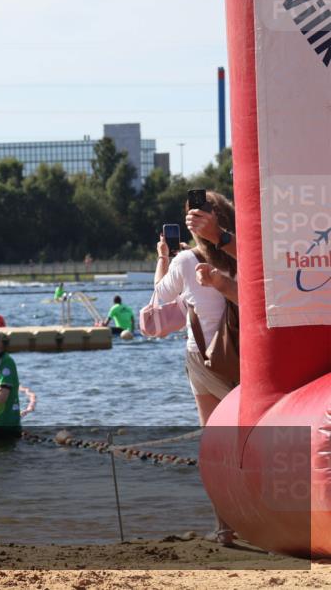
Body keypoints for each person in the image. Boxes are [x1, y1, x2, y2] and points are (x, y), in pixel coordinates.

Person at [153, 190, 238, 545]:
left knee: (214, 443)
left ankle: (225, 527)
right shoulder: (243, 254)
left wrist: (164, 257)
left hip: (204, 359)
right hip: (247, 357)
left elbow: (160, 296)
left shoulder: (186, 261)